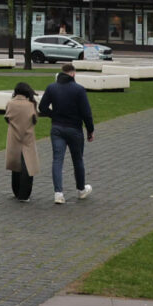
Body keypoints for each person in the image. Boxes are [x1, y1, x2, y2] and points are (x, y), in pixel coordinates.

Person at [39, 66, 95, 204]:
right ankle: (81, 190)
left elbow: (42, 107)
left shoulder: (51, 87)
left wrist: (54, 115)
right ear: (73, 73)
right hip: (74, 129)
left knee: (57, 160)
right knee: (77, 160)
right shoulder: (79, 89)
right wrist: (90, 130)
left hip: (57, 128)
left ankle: (58, 193)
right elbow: (86, 113)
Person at [2, 81, 41, 201]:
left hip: (14, 137)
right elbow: (34, 120)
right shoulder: (30, 105)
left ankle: (16, 191)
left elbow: (7, 118)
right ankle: (24, 195)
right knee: (28, 166)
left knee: (16, 166)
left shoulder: (10, 103)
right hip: (27, 137)